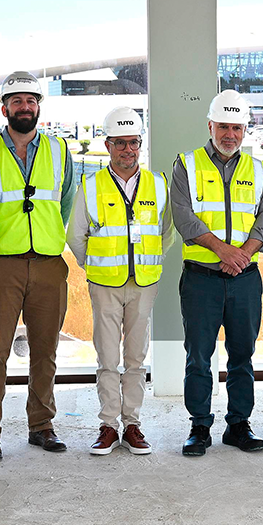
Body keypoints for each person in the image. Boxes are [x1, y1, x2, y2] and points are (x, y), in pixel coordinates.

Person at [0, 71, 76, 459]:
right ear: (4, 108)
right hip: (0, 263)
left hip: (47, 262)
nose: (24, 107)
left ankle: (41, 425)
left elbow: (65, 202)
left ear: (38, 107)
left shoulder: (60, 150)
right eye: (17, 101)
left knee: (45, 349)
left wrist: (46, 236)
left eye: (30, 101)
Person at [171, 89, 263, 456]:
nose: (230, 134)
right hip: (202, 278)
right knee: (199, 355)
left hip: (245, 279)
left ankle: (238, 425)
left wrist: (243, 255)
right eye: (223, 126)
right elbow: (183, 216)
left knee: (243, 354)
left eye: (237, 127)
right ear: (210, 125)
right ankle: (199, 426)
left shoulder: (260, 168)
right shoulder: (186, 164)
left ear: (245, 129)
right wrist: (223, 250)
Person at [66, 106, 173, 455]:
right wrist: (95, 267)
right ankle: (109, 425)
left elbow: (166, 232)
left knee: (136, 358)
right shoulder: (91, 186)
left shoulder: (158, 185)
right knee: (108, 358)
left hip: (143, 283)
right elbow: (76, 236)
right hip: (105, 285)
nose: (128, 150)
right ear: (108, 145)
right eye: (121, 143)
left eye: (134, 143)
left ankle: (133, 424)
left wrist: (148, 262)